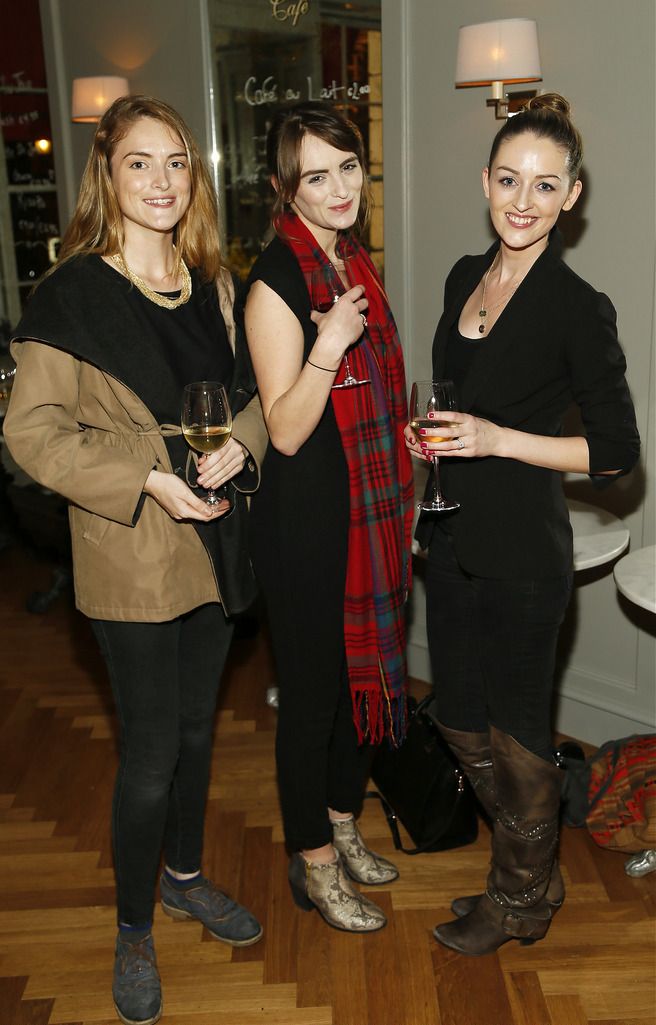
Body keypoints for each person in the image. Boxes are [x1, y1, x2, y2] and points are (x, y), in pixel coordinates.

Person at [4, 95, 267, 1025]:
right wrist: (149, 481)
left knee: (200, 733)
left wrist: (242, 441)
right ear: (107, 177)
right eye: (140, 164)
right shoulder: (71, 295)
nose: (161, 181)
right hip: (132, 547)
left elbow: (255, 397)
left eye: (176, 163)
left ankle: (186, 876)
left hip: (216, 540)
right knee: (151, 753)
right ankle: (131, 929)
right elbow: (26, 434)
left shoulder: (213, 282)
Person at [408, 93, 640, 956]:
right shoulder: (462, 275)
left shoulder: (579, 306)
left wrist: (497, 438)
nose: (523, 200)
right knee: (458, 717)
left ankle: (518, 900)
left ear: (571, 195)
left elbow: (617, 452)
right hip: (453, 539)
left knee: (521, 737)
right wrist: (432, 435)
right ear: (486, 181)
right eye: (510, 180)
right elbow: (458, 401)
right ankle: (535, 862)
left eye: (546, 186)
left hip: (524, 558)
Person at [244, 102, 413, 932]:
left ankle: (345, 823)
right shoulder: (277, 279)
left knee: (359, 692)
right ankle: (313, 859)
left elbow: (377, 398)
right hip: (308, 528)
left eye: (349, 166)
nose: (341, 186)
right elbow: (283, 426)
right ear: (287, 186)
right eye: (318, 174)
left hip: (367, 517)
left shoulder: (352, 261)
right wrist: (329, 342)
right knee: (312, 700)